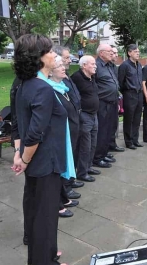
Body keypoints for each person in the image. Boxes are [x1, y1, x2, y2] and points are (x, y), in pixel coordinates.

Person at [11, 33, 69, 265]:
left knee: (38, 213)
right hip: (45, 162)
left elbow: (20, 124)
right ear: (38, 58)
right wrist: (23, 158)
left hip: (37, 161)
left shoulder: (25, 84)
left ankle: (46, 255)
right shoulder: (42, 89)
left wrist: (19, 154)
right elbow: (34, 132)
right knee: (45, 217)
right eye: (49, 51)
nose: (54, 54)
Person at [49, 56, 81, 218]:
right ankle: (58, 203)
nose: (64, 67)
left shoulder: (62, 87)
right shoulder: (50, 89)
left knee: (66, 166)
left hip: (70, 134)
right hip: (59, 138)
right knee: (59, 170)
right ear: (50, 71)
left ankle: (63, 196)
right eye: (60, 65)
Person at [52, 45, 84, 199]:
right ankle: (66, 187)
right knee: (66, 156)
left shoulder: (65, 78)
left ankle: (70, 180)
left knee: (74, 153)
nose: (68, 61)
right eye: (65, 58)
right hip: (65, 126)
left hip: (74, 120)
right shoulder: (51, 86)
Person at [71, 55, 99, 183]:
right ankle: (81, 172)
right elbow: (73, 98)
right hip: (85, 115)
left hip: (94, 115)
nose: (95, 66)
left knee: (92, 144)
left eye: (95, 64)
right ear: (84, 66)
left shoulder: (91, 77)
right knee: (84, 146)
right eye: (92, 64)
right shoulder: (76, 78)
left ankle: (88, 166)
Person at [93, 44, 119, 167]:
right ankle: (97, 158)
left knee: (109, 130)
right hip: (102, 103)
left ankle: (104, 153)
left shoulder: (109, 66)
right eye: (109, 51)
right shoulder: (96, 66)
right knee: (102, 131)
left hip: (113, 102)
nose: (111, 53)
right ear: (101, 53)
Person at [118, 44, 144, 149]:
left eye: (138, 51)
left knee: (137, 118)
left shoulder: (138, 65)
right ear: (129, 53)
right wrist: (127, 91)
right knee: (129, 118)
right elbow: (120, 82)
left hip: (139, 94)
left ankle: (135, 139)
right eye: (135, 51)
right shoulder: (124, 65)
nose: (138, 53)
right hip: (130, 94)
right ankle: (128, 141)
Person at [108, 45, 125, 152]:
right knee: (107, 125)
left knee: (114, 123)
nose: (115, 55)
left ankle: (112, 144)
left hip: (115, 98)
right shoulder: (105, 66)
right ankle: (107, 147)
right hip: (106, 101)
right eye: (113, 53)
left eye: (116, 53)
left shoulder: (114, 67)